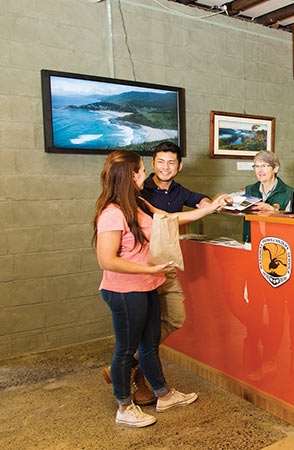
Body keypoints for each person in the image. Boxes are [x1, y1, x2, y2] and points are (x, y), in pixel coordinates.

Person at [94, 150, 226, 427]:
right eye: (142, 170)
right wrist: (150, 270)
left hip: (148, 285)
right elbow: (107, 260)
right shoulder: (111, 212)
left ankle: (163, 395)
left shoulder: (138, 202)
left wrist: (211, 208)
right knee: (125, 350)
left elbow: (170, 220)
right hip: (125, 291)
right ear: (130, 176)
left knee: (150, 344)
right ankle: (124, 407)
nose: (146, 174)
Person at [240, 151, 294, 243]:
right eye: (257, 166)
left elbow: (293, 226)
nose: (260, 170)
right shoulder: (248, 190)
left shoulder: (290, 193)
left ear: (275, 168)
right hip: (251, 242)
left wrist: (274, 211)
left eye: (264, 166)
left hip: (277, 245)